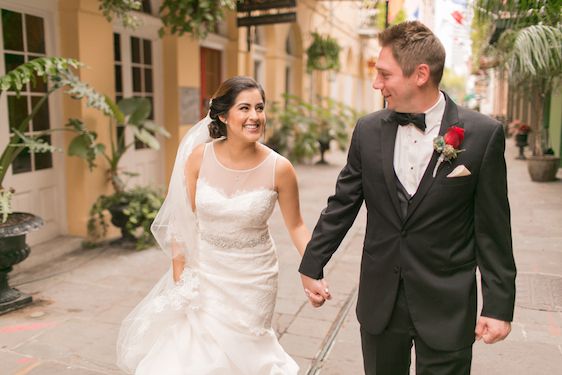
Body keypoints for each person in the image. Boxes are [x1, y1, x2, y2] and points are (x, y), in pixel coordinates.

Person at [298, 21, 516, 374]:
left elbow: (493, 228)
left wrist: (498, 305)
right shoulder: (367, 130)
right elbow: (343, 203)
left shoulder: (483, 135)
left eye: (385, 75)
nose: (376, 83)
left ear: (420, 74)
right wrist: (312, 264)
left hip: (446, 303)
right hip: (381, 299)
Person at [117, 76, 310, 374]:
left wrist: (314, 269)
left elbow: (296, 225)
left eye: (259, 108)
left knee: (248, 355)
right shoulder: (198, 158)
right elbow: (183, 221)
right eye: (244, 108)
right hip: (205, 274)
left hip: (254, 277)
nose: (255, 116)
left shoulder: (280, 168)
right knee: (196, 356)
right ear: (223, 115)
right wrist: (181, 278)